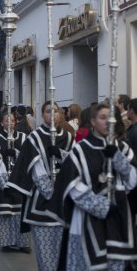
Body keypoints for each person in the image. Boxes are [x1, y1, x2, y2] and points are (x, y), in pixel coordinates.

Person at [47, 103, 137, 270]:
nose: (108, 122)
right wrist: (101, 206)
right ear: (93, 121)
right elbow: (73, 185)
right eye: (103, 118)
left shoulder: (122, 149)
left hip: (117, 219)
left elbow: (132, 181)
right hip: (86, 219)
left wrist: (117, 158)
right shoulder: (81, 150)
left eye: (111, 118)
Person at [6, 100, 75, 271]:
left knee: (63, 255)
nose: (52, 114)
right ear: (42, 115)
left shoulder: (68, 137)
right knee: (46, 257)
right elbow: (35, 168)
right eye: (47, 111)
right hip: (40, 202)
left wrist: (61, 154)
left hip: (63, 203)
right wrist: (50, 191)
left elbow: (76, 163)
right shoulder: (34, 138)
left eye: (56, 111)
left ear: (61, 114)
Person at [0, 111, 31, 253]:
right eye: (6, 120)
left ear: (15, 122)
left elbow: (28, 157)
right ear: (2, 123)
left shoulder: (23, 137)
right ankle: (7, 242)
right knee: (6, 213)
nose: (9, 123)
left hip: (20, 181)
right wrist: (5, 183)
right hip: (4, 181)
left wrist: (16, 153)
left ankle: (24, 243)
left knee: (21, 213)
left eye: (12, 120)